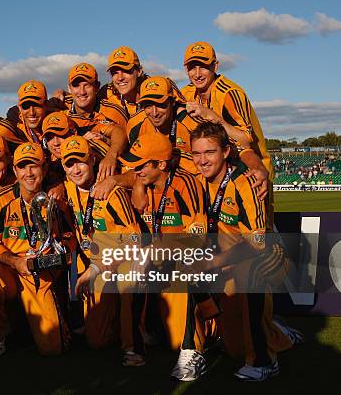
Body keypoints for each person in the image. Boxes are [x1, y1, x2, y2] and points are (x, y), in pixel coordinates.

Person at [190, 122, 302, 381]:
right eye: (197, 153)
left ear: (226, 152)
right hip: (228, 260)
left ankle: (265, 362)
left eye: (210, 152)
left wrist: (215, 262)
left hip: (265, 255)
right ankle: (279, 333)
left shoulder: (245, 183)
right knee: (235, 349)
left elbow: (257, 243)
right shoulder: (196, 184)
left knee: (249, 273)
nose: (202, 160)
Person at [128, 131, 212, 381]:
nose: (136, 170)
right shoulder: (144, 184)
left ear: (161, 164)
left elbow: (197, 236)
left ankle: (192, 351)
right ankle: (139, 342)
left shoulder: (184, 184)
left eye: (141, 164)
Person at [0, 142, 72, 356]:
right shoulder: (0, 200)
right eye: (22, 166)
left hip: (39, 275)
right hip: (10, 269)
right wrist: (15, 262)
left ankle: (33, 321)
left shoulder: (55, 199)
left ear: (45, 169)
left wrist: (60, 254)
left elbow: (68, 237)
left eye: (34, 166)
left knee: (53, 348)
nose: (28, 173)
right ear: (14, 170)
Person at [60, 136, 145, 366]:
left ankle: (132, 345)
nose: (76, 169)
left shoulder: (112, 193)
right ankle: (118, 321)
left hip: (122, 261)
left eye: (81, 161)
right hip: (96, 265)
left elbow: (135, 242)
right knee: (97, 340)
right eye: (69, 164)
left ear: (93, 159)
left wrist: (96, 268)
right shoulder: (67, 190)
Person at [181, 42, 272, 218]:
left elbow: (246, 140)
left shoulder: (230, 93)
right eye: (193, 67)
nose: (197, 73)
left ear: (215, 66)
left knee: (256, 233)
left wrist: (214, 117)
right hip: (217, 169)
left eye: (204, 67)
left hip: (251, 168)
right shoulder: (186, 93)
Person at [63, 63, 129, 181]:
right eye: (76, 86)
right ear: (69, 88)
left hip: (109, 172)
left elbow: (122, 135)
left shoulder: (113, 111)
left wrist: (111, 156)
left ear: (97, 87)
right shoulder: (61, 109)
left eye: (87, 85)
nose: (82, 92)